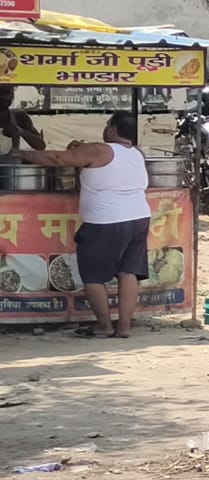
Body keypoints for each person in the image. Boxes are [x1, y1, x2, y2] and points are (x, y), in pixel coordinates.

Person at [17, 111, 150, 338]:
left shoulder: (100, 149)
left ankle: (104, 326)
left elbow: (57, 159)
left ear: (113, 129)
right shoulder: (136, 154)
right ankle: (124, 328)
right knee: (128, 272)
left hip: (105, 221)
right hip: (139, 218)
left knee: (93, 276)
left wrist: (20, 153)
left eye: (108, 125)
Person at [0, 85, 45, 154]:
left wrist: (19, 131)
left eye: (9, 93)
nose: (6, 97)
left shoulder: (18, 116)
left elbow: (40, 146)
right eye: (1, 93)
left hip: (10, 163)